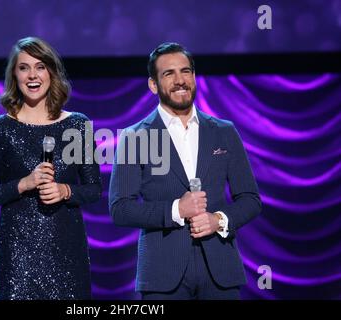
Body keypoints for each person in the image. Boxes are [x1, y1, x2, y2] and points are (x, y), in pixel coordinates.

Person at [109, 42, 261, 300]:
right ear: (153, 85)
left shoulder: (224, 131)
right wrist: (176, 209)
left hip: (220, 272)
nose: (180, 80)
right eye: (169, 74)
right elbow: (120, 208)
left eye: (186, 71)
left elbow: (250, 199)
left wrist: (218, 220)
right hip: (162, 275)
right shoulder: (135, 137)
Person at [0, 37, 101, 300]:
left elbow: (94, 189)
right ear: (14, 75)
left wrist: (65, 190)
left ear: (51, 72)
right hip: (18, 256)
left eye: (40, 66)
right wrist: (24, 183)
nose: (32, 75)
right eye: (24, 68)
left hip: (66, 253)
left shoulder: (77, 125)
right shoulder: (0, 129)